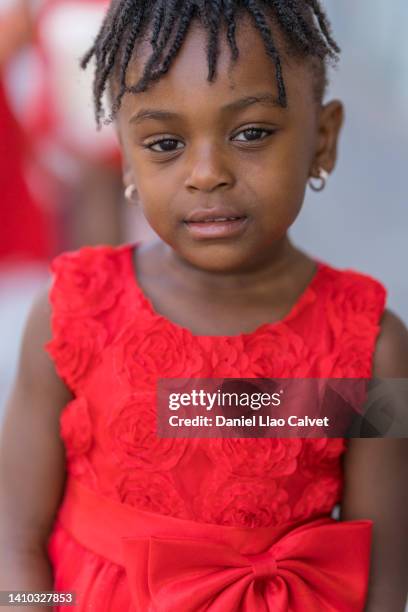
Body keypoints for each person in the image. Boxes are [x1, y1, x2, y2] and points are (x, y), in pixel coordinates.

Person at [1, 1, 407, 611]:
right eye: (165, 142)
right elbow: (13, 538)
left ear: (322, 139)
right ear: (127, 158)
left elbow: (384, 578)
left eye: (251, 133)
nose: (207, 173)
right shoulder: (71, 314)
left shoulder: (367, 349)